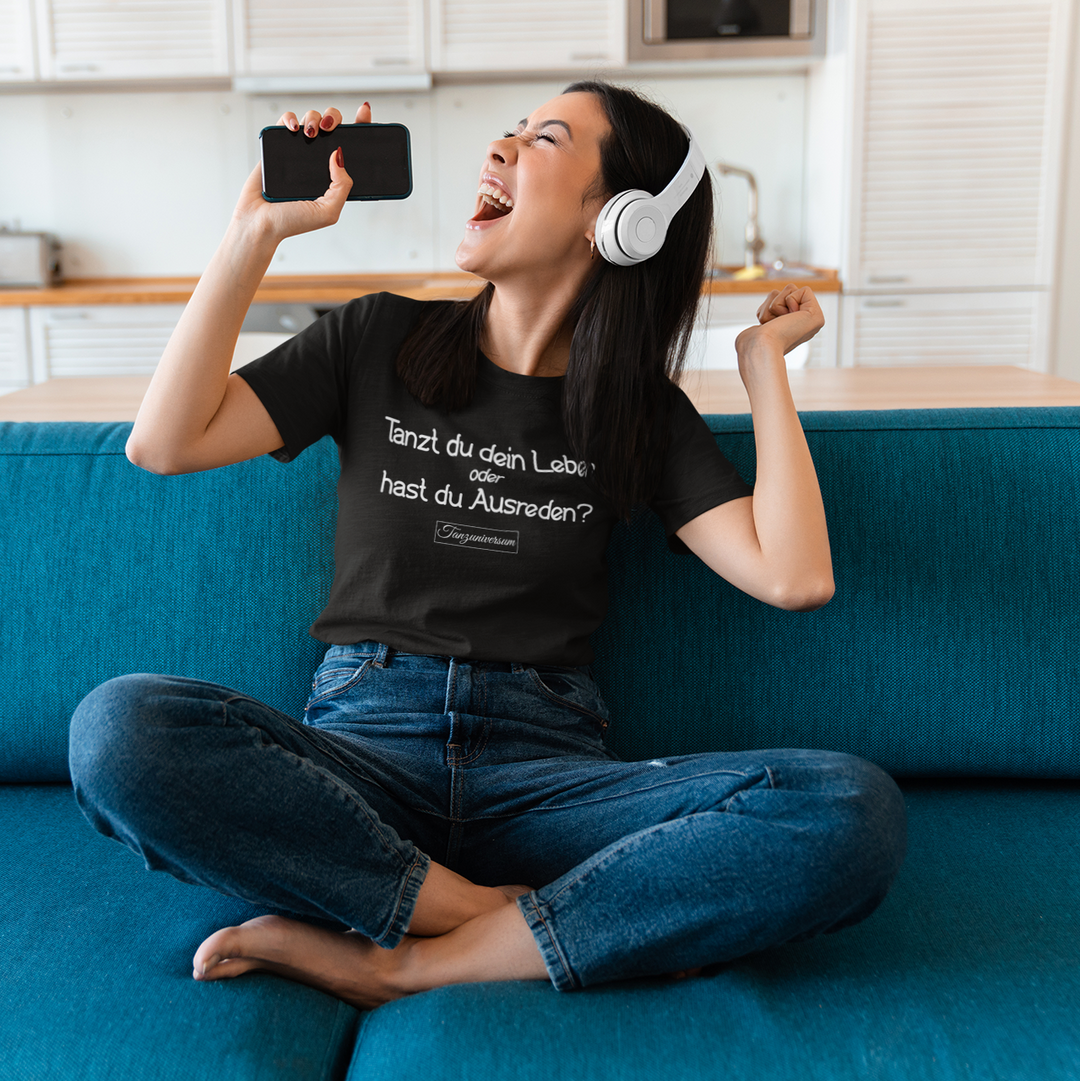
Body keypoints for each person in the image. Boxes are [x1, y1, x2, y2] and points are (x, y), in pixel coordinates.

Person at [68, 81, 907, 1010]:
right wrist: (253, 235)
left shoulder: (639, 414)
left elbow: (795, 575)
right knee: (120, 729)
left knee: (845, 808)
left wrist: (763, 371)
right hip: (362, 760)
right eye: (508, 131)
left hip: (546, 781)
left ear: (618, 219)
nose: (498, 148)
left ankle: (409, 960)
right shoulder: (377, 335)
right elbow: (165, 442)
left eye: (543, 138)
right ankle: (470, 910)